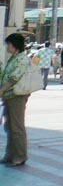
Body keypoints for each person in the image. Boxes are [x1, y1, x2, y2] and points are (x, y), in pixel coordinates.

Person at [0, 33, 32, 166]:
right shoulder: (14, 58)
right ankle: (10, 154)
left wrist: (2, 90)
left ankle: (20, 156)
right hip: (9, 96)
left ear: (14, 45)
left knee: (17, 127)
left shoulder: (22, 59)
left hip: (16, 96)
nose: (7, 47)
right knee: (9, 126)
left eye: (8, 44)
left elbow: (14, 78)